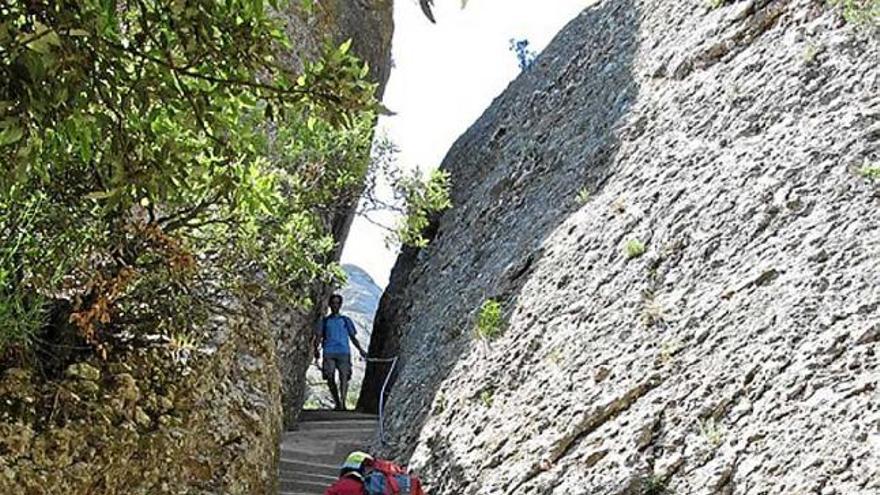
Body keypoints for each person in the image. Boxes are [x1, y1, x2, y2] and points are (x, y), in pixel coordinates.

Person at [315, 294, 367, 411]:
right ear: (330, 305)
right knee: (329, 375)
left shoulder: (345, 320)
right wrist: (315, 349)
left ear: (340, 305)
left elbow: (353, 337)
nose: (335, 305)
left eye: (337, 303)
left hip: (344, 352)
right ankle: (337, 401)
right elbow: (318, 336)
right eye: (333, 303)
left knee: (344, 377)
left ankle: (342, 403)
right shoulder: (325, 321)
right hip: (329, 352)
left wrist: (361, 350)